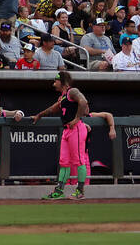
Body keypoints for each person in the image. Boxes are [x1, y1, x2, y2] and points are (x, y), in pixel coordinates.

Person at [31, 70, 90, 200]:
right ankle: (59, 190)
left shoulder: (72, 91)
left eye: (56, 81)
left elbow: (83, 102)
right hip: (67, 130)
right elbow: (53, 108)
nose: (54, 83)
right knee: (64, 162)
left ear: (62, 81)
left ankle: (80, 191)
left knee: (79, 160)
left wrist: (76, 118)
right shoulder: (63, 96)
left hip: (76, 128)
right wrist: (39, 115)